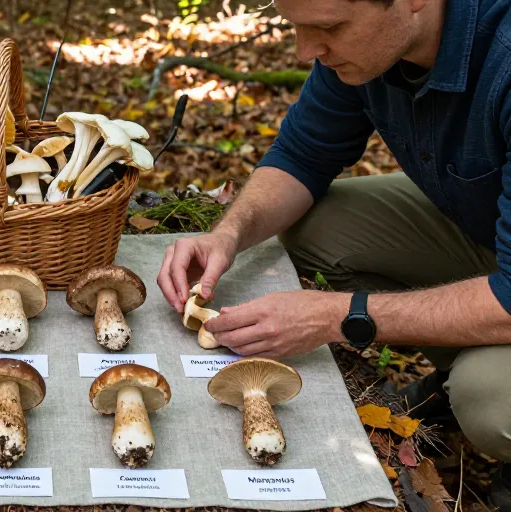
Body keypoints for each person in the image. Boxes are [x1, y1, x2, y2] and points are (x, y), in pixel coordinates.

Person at [158, 0, 511, 506]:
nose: (306, 51)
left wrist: (339, 316)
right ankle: (459, 363)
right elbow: (302, 155)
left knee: (489, 399)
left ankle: (474, 385)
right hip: (493, 237)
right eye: (297, 27)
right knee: (319, 226)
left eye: (328, 27)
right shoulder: (373, 49)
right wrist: (227, 235)